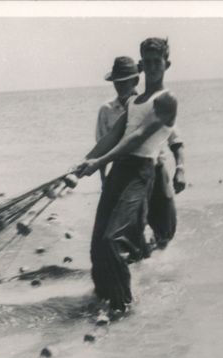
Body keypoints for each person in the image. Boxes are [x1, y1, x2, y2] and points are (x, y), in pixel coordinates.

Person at [76, 38, 177, 315]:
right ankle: (104, 298)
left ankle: (124, 306)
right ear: (142, 65)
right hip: (119, 172)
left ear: (166, 65)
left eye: (159, 62)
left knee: (113, 239)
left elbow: (138, 137)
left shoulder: (167, 100)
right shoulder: (133, 101)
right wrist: (83, 162)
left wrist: (99, 162)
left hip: (141, 172)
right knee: (98, 246)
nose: (155, 66)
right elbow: (112, 135)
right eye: (149, 62)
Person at [95, 56, 141, 185]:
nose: (120, 87)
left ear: (135, 81)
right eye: (116, 82)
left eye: (124, 82)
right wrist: (103, 178)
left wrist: (179, 167)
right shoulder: (106, 109)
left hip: (150, 167)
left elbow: (173, 138)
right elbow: (101, 146)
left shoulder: (148, 104)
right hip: (120, 169)